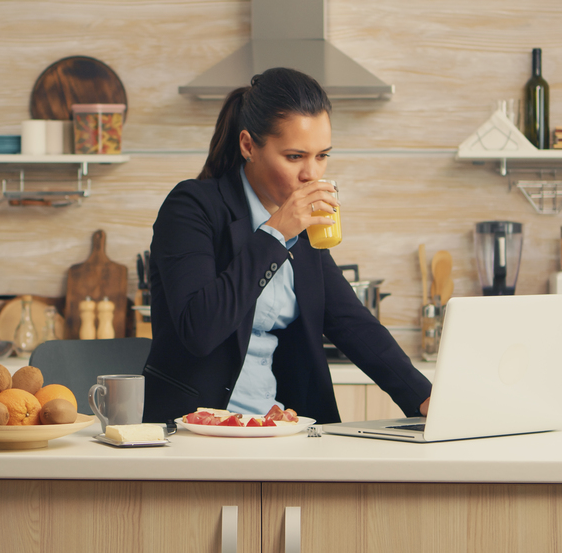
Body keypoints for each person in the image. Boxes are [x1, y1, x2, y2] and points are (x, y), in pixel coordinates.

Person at [141, 67, 431, 424]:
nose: (312, 174)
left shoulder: (302, 228)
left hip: (275, 425)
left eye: (322, 156)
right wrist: (274, 234)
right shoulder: (192, 206)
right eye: (295, 157)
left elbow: (352, 324)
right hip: (196, 427)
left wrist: (424, 397)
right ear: (248, 146)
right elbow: (199, 330)